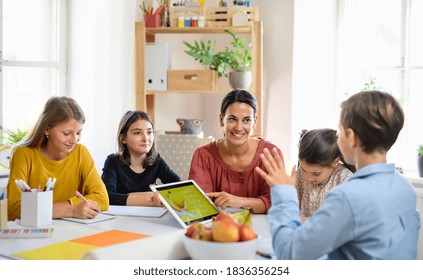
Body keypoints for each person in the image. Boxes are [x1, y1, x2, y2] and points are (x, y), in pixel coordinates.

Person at [256, 90, 420, 259]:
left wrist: (284, 193)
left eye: (339, 132)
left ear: (352, 137)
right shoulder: (405, 188)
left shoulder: (349, 196)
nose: (337, 137)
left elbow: (290, 254)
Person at [7, 96, 109, 221]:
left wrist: (44, 209)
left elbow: (102, 199)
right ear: (46, 129)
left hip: (71, 231)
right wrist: (70, 210)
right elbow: (14, 209)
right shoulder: (23, 154)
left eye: (78, 133)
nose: (74, 140)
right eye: (66, 133)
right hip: (35, 232)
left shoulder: (80, 152)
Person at [188, 89, 284, 214]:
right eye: (232, 119)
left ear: (255, 121)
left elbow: (276, 203)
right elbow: (198, 203)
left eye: (246, 120)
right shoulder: (203, 156)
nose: (239, 128)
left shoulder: (271, 154)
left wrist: (238, 201)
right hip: (217, 227)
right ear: (221, 119)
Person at [102, 110, 180, 206]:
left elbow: (179, 187)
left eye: (149, 132)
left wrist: (137, 196)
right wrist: (149, 199)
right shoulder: (112, 161)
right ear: (123, 139)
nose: (145, 138)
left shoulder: (156, 160)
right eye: (137, 133)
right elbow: (107, 197)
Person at [296, 128, 355, 218]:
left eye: (316, 174)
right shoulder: (301, 173)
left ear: (335, 162)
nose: (308, 178)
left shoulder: (345, 179)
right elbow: (295, 204)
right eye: (304, 170)